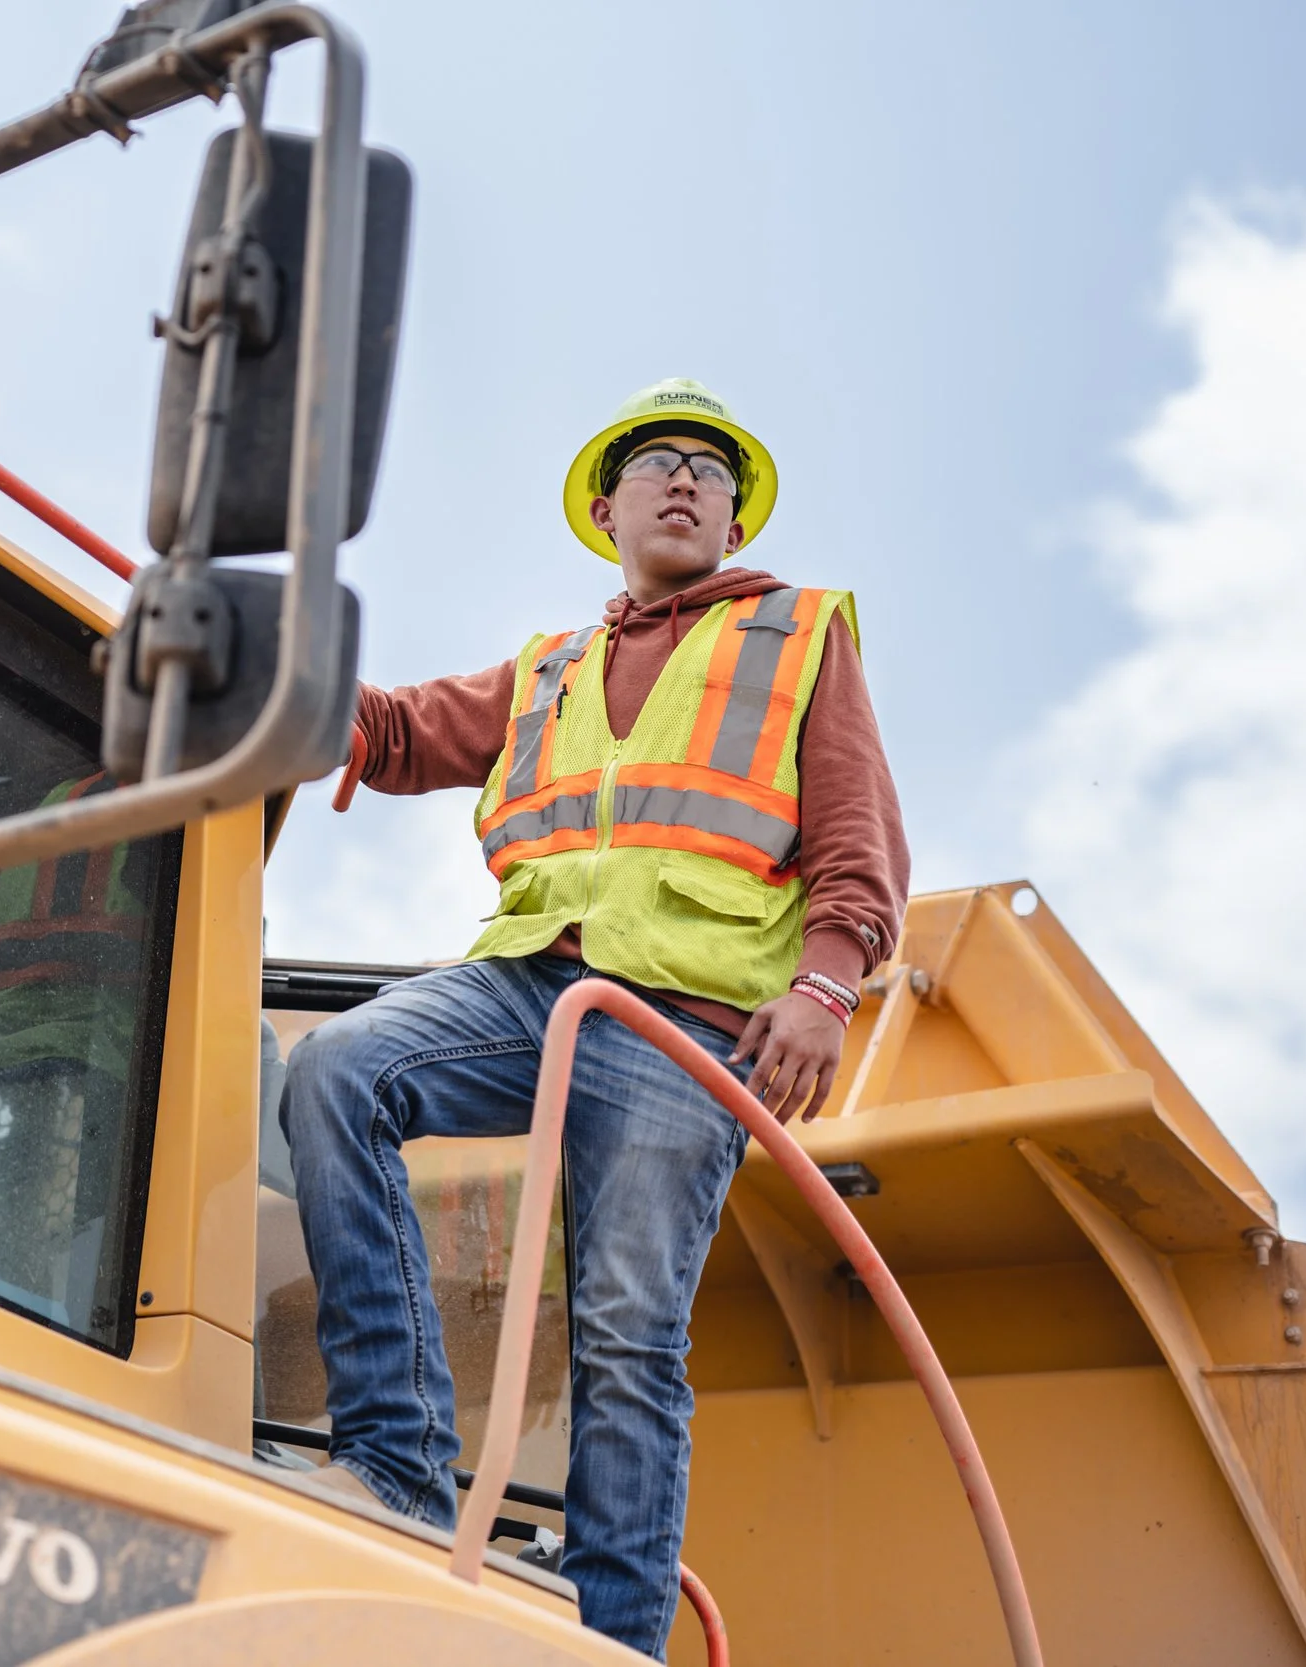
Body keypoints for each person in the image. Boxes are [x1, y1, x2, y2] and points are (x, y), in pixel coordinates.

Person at [282, 378, 909, 1655]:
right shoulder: (546, 671)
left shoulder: (797, 635)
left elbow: (856, 838)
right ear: (606, 509)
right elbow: (391, 733)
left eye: (708, 469)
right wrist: (277, 668)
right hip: (530, 985)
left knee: (627, 1328)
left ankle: (616, 1639)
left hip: (688, 1021)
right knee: (340, 1069)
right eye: (656, 464)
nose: (684, 479)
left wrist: (825, 985)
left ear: (733, 517)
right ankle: (395, 1464)